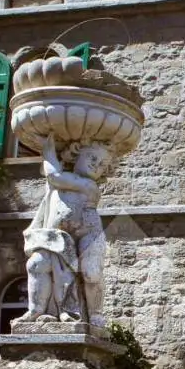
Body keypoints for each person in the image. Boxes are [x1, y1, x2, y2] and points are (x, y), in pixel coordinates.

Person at [23, 138, 111, 325]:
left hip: (89, 233)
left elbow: (54, 176)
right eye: (92, 158)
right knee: (36, 264)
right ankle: (37, 310)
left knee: (91, 273)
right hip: (57, 236)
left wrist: (48, 151)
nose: (96, 165)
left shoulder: (89, 185)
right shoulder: (61, 181)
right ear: (76, 153)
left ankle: (95, 314)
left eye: (102, 164)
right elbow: (52, 178)